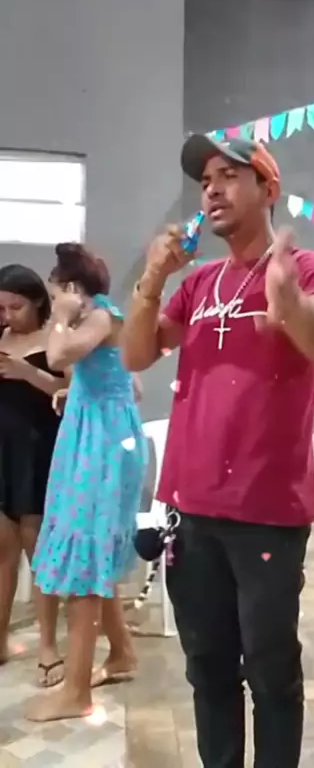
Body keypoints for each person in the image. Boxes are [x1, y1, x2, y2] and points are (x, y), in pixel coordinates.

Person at [122, 136, 314, 768]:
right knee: (208, 667)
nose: (212, 190)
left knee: (272, 671)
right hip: (190, 509)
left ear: (268, 189)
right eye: (205, 182)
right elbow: (136, 354)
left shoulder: (306, 269)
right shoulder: (197, 283)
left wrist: (291, 306)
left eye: (228, 175)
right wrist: (152, 280)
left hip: (267, 511)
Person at [26, 243, 147, 723]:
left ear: (72, 288)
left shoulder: (100, 316)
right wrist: (76, 393)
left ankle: (77, 692)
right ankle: (121, 654)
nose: (54, 299)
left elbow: (57, 353)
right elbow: (132, 384)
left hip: (104, 445)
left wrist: (60, 318)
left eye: (56, 290)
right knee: (92, 549)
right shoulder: (99, 321)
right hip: (94, 434)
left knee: (85, 553)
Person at [0, 264, 67, 686]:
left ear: (38, 301)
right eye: (1, 308)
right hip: (3, 450)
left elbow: (70, 392)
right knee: (1, 549)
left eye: (16, 307)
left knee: (38, 553)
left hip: (38, 450)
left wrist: (27, 372)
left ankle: (47, 646)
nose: (8, 316)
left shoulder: (55, 338)